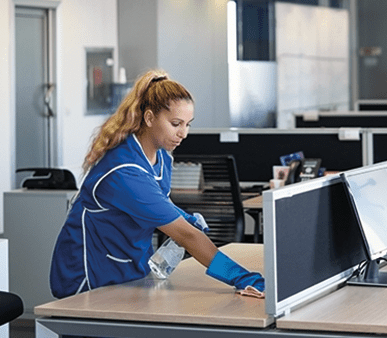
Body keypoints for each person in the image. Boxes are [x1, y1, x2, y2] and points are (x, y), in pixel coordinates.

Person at [50, 70, 264, 298]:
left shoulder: (161, 157)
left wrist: (181, 215)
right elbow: (186, 236)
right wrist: (241, 277)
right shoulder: (125, 173)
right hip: (90, 278)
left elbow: (155, 202)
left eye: (188, 124)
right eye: (175, 124)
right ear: (149, 118)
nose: (183, 133)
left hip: (129, 268)